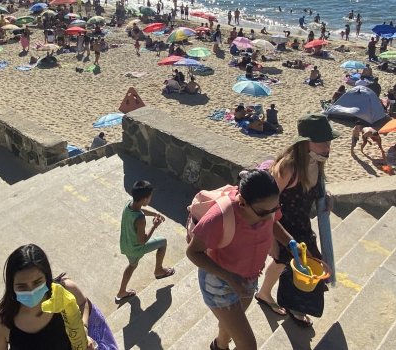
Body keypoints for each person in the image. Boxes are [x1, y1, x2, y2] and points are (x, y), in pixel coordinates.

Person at [187, 169, 289, 350]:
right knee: (248, 345)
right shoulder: (219, 217)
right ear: (242, 203)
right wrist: (229, 277)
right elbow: (193, 252)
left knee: (232, 323)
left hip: (248, 277)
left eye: (275, 208)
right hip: (219, 283)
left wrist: (291, 243)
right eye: (264, 212)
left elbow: (273, 221)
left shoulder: (266, 208)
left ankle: (219, 345)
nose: (269, 217)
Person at [254, 114, 334, 327]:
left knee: (283, 262)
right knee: (306, 267)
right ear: (306, 142)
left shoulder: (316, 161)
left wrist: (325, 197)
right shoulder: (288, 168)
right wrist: (272, 239)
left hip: (301, 225)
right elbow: (268, 203)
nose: (328, 146)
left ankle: (263, 293)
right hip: (284, 226)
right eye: (323, 141)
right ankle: (296, 309)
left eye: (329, 140)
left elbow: (315, 189)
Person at [0, 244, 99, 350]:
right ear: (11, 286)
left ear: (47, 276)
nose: (31, 291)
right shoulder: (1, 322)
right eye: (22, 286)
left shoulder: (64, 292)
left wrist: (83, 327)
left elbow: (83, 303)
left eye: (37, 282)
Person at [115, 180, 174, 304]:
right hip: (136, 248)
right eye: (150, 197)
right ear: (144, 199)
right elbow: (142, 241)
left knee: (132, 265)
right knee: (163, 242)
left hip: (126, 244)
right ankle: (158, 270)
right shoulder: (140, 219)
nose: (151, 199)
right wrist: (154, 226)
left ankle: (121, 292)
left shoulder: (129, 204)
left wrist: (155, 213)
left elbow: (140, 210)